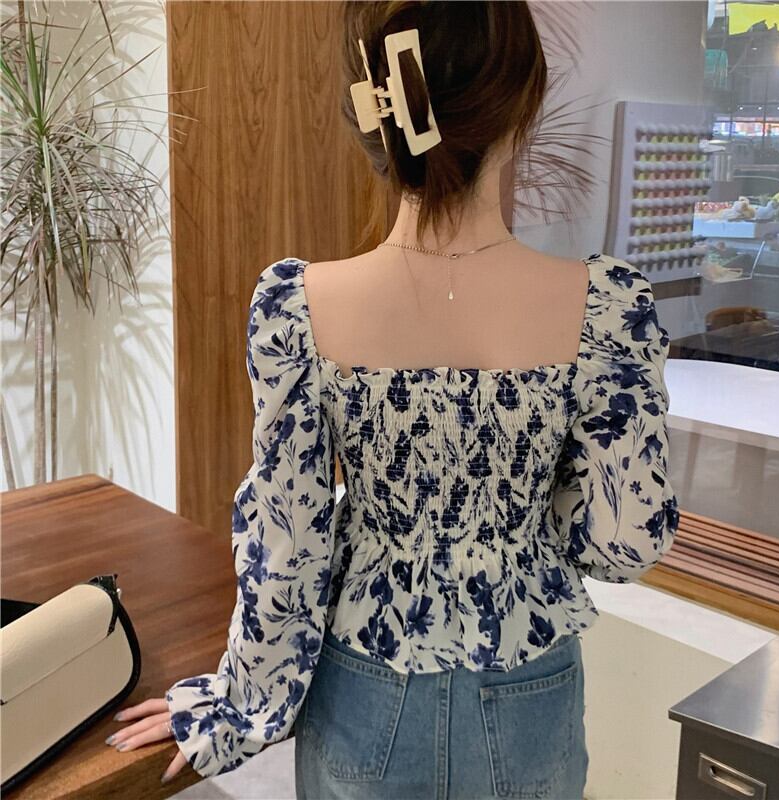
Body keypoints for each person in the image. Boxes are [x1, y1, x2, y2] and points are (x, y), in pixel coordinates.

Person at [109, 3, 680, 798]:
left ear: (377, 123)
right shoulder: (607, 308)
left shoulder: (299, 307)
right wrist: (523, 516)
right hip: (530, 683)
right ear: (520, 111)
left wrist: (239, 707)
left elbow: (288, 543)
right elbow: (624, 541)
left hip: (366, 684)